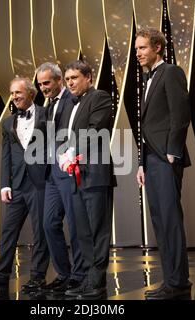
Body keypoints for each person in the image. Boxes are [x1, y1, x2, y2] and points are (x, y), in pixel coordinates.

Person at [0, 77, 49, 293]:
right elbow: (5, 155)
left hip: (40, 182)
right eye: (12, 93)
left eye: (18, 92)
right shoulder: (8, 123)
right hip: (16, 185)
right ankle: (0, 275)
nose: (14, 97)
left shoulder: (47, 116)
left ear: (31, 94)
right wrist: (4, 185)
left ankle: (38, 276)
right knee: (8, 232)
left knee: (40, 232)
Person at [135, 27, 192, 300]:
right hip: (151, 159)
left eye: (143, 48)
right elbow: (146, 126)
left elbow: (180, 114)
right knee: (159, 221)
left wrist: (172, 151)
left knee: (170, 221)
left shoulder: (171, 72)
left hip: (166, 158)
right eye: (137, 49)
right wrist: (142, 164)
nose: (138, 53)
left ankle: (179, 282)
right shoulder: (146, 78)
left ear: (157, 47)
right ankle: (171, 280)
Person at [61, 60, 116, 299]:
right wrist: (64, 154)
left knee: (98, 229)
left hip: (95, 172)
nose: (70, 82)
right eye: (67, 79)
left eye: (74, 77)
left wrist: (73, 152)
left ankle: (97, 282)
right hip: (76, 175)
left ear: (88, 77)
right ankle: (87, 280)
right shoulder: (70, 105)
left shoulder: (99, 97)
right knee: (82, 230)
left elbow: (96, 130)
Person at [35, 62, 86, 294]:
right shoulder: (47, 105)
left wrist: (72, 157)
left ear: (58, 80)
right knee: (48, 224)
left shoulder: (72, 100)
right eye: (39, 84)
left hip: (69, 169)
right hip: (52, 174)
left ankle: (79, 274)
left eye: (46, 83)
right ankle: (63, 273)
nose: (43, 88)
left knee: (75, 224)